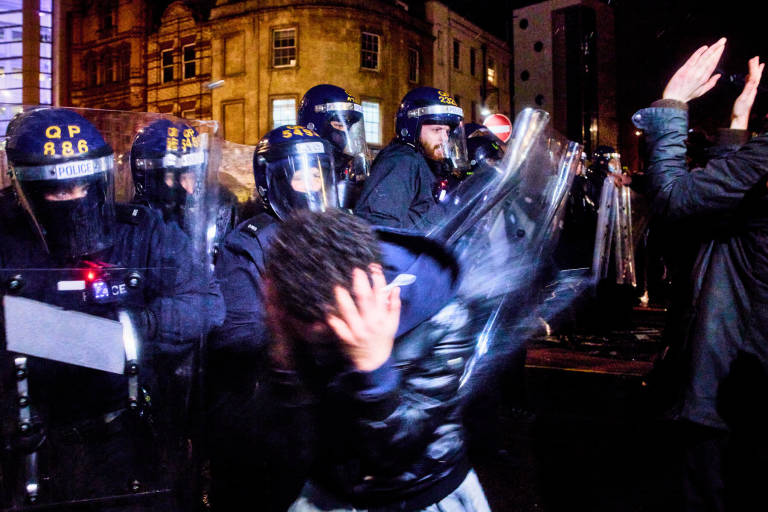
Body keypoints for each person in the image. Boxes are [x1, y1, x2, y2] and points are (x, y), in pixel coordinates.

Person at [0, 107, 214, 509]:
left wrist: (138, 325)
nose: (72, 198)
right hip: (33, 441)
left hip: (124, 432)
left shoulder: (139, 229)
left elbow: (205, 304)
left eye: (82, 186)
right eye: (57, 190)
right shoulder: (6, 237)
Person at [263, 208, 490, 512]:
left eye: (324, 334)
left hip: (421, 492)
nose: (319, 342)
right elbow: (295, 437)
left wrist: (374, 370)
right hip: (333, 488)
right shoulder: (306, 294)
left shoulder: (443, 315)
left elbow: (396, 455)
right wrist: (284, 356)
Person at [632, 39, 768, 511]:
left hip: (727, 385)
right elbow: (730, 201)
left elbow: (673, 200)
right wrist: (737, 129)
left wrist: (672, 104)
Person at [206, 125, 339, 511]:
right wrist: (312, 332)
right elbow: (239, 334)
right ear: (275, 181)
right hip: (265, 415)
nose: (313, 183)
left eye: (319, 172)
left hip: (321, 411)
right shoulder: (248, 245)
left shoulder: (335, 233)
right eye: (301, 174)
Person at [354, 86, 469, 230]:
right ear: (411, 128)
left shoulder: (427, 164)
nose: (444, 138)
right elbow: (380, 227)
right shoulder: (401, 162)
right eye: (436, 130)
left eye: (447, 131)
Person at [297, 84, 370, 210]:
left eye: (348, 128)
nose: (345, 134)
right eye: (339, 125)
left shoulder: (342, 166)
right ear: (314, 125)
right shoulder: (298, 166)